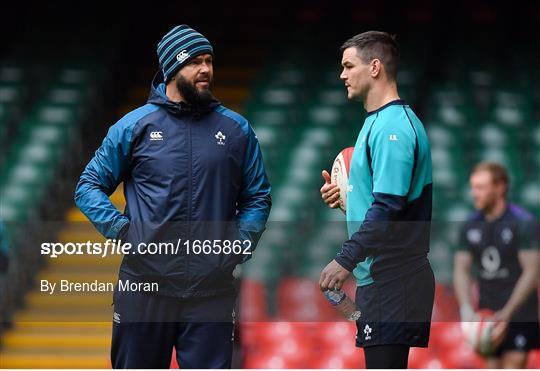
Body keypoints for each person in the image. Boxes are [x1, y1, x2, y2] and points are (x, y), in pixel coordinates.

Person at [74, 24, 271, 369]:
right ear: (171, 68)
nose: (206, 69)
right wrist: (123, 232)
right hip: (144, 287)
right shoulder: (133, 127)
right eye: (195, 61)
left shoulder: (237, 130)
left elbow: (257, 197)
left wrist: (239, 244)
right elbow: (88, 186)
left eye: (209, 60)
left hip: (212, 289)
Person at [319, 31, 434, 369]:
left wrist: (345, 260)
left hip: (394, 281)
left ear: (374, 67)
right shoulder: (378, 122)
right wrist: (348, 199)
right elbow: (384, 201)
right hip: (383, 281)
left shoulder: (392, 128)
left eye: (348, 66)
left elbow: (389, 208)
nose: (342, 74)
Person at [454, 162, 539, 368]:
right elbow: (461, 270)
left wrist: (508, 312)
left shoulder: (523, 223)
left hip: (519, 313)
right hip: (487, 311)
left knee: (513, 364)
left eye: (481, 187)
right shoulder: (470, 225)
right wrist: (466, 308)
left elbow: (532, 271)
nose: (475, 193)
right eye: (473, 187)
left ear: (500, 187)